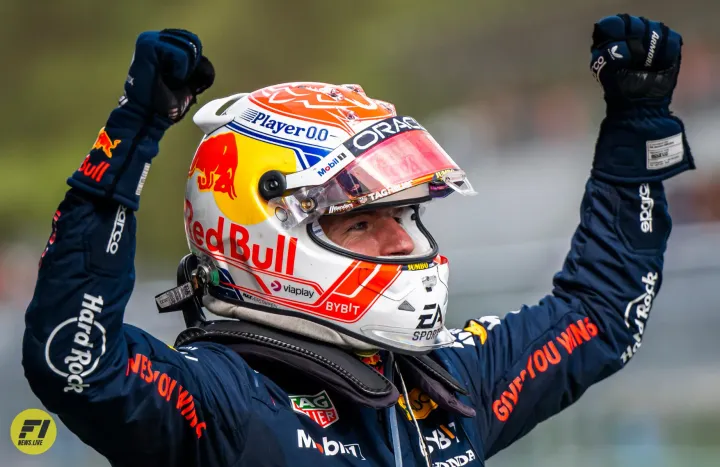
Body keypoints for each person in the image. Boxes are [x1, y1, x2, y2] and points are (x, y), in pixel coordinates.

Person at [22, 15, 694, 467]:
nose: (402, 241)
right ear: (264, 237)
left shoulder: (450, 383)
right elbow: (77, 363)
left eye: (404, 215)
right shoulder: (221, 401)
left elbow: (601, 314)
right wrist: (129, 138)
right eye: (363, 221)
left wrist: (639, 123)